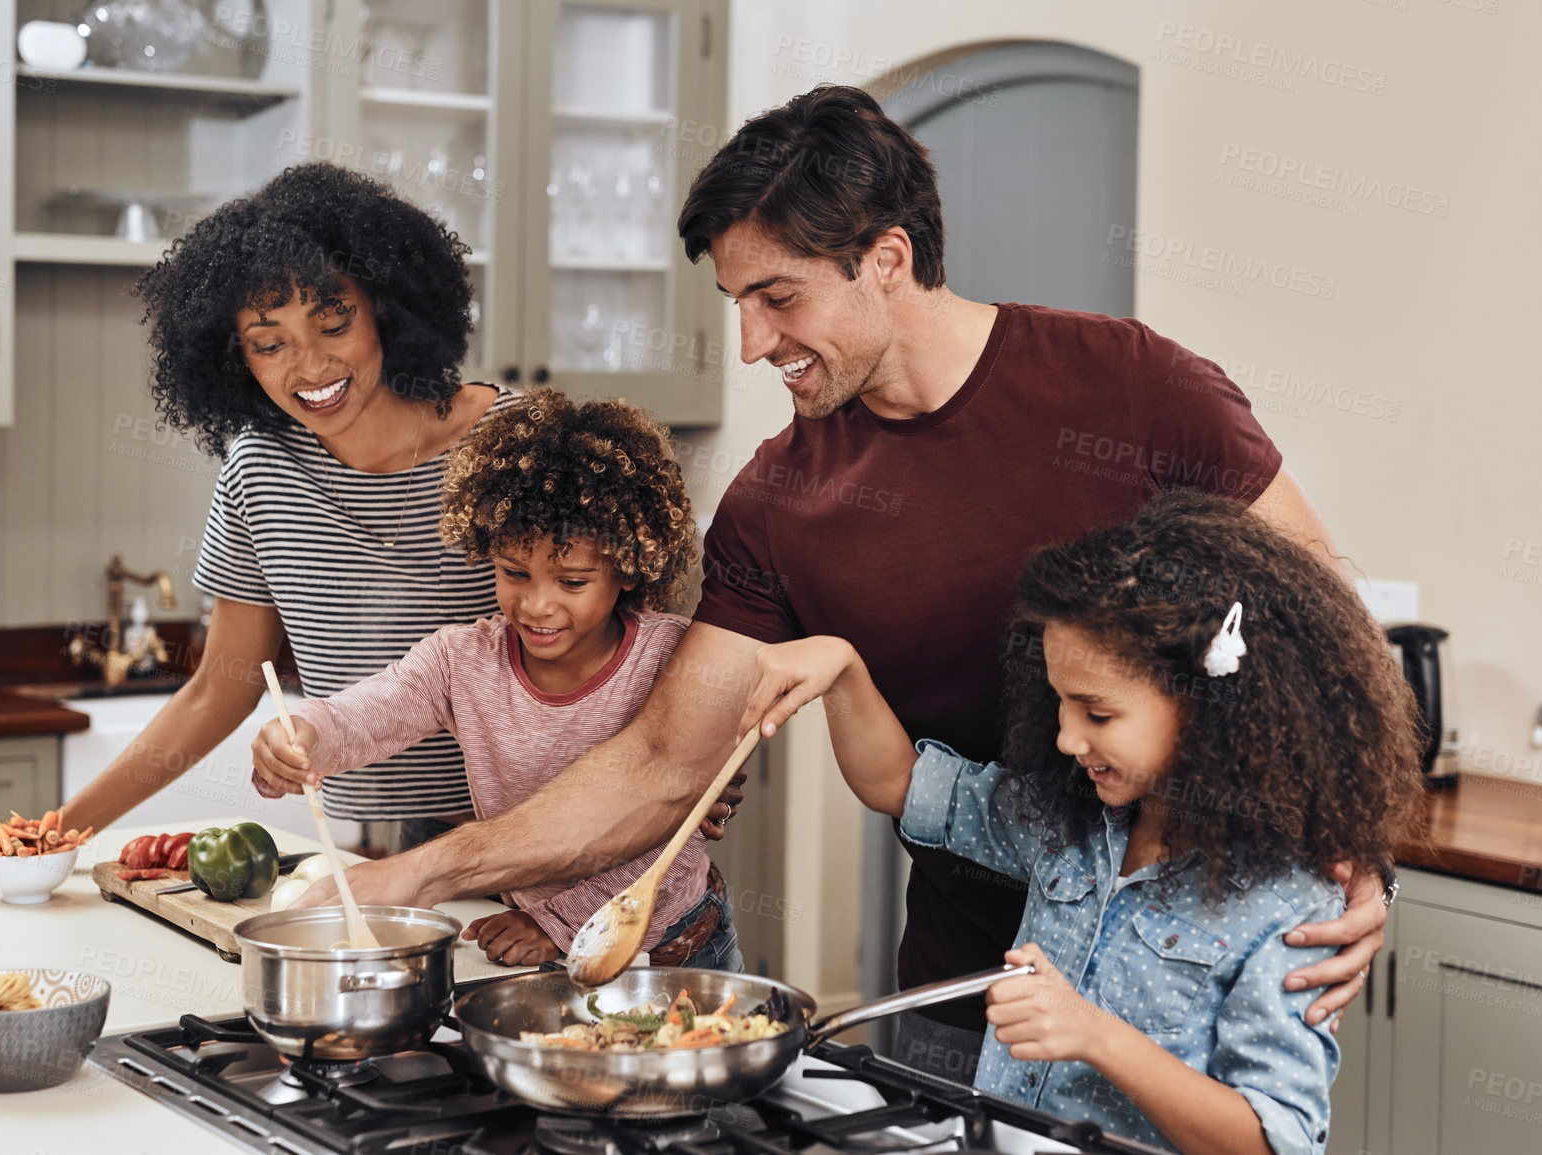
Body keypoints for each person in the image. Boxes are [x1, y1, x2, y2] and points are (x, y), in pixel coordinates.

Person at [297, 86, 1388, 1080]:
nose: (751, 341)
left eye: (777, 297)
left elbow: (1325, 625)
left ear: (889, 257)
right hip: (969, 988)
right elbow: (664, 763)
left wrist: (1359, 847)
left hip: (1191, 977)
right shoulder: (777, 502)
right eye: (735, 301)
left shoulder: (1136, 387)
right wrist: (417, 879)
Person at [735, 490, 1424, 1154]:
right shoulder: (1067, 820)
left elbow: (1276, 1139)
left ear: (1207, 706)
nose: (1065, 738)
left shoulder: (1286, 901)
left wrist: (1095, 1034)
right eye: (1058, 703)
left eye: (1096, 713)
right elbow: (901, 783)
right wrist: (843, 670)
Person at [0, 163, 526, 869]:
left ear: (387, 310)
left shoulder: (513, 446)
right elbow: (220, 687)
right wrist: (45, 836)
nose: (309, 365)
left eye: (332, 320)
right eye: (268, 343)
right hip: (418, 841)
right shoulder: (263, 468)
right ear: (234, 357)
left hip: (548, 818)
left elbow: (615, 651)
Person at [254, 390, 742, 970]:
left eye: (572, 582)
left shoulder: (670, 657)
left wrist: (557, 923)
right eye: (514, 572)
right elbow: (360, 715)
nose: (537, 604)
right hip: (552, 947)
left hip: (675, 945)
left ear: (628, 571)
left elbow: (661, 828)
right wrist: (303, 734)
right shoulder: (462, 660)